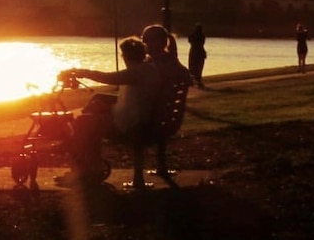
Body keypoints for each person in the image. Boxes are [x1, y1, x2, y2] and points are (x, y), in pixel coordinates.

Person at [57, 24, 190, 189]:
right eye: (143, 41)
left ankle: (84, 165)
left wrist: (82, 72)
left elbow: (109, 78)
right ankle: (87, 161)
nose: (145, 44)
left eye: (146, 40)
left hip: (141, 124)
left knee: (84, 123)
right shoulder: (155, 66)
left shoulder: (142, 70)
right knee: (96, 105)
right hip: (156, 119)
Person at [187, 23, 207, 87]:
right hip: (199, 51)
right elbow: (202, 44)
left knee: (193, 66)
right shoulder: (202, 36)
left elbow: (190, 40)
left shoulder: (192, 35)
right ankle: (197, 80)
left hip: (194, 52)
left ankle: (193, 80)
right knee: (199, 67)